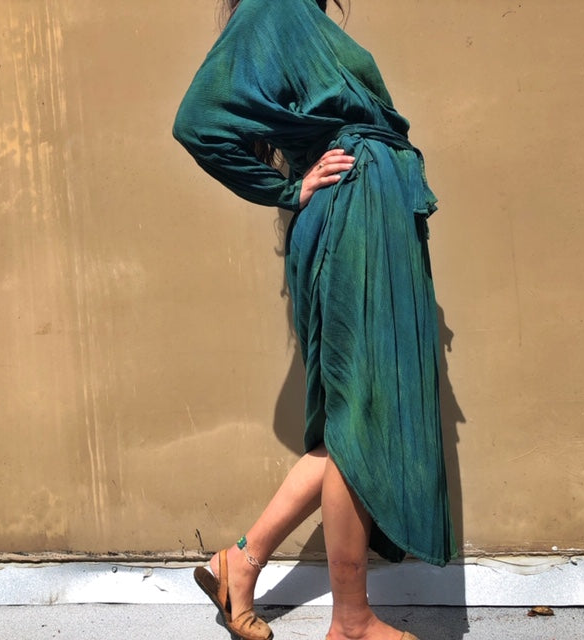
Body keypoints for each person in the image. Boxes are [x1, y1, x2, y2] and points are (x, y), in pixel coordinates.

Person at [173, 1, 457, 639]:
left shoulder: (301, 14)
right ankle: (351, 623)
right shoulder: (276, 5)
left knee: (351, 422)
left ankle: (238, 562)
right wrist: (287, 188)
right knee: (360, 419)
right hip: (355, 218)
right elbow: (197, 122)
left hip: (372, 217)